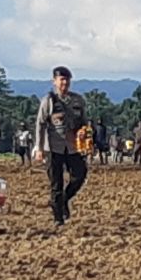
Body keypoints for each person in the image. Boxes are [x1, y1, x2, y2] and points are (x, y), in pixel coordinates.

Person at [33, 65, 90, 228]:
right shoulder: (48, 101)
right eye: (62, 79)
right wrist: (39, 148)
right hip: (54, 147)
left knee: (80, 175)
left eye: (67, 79)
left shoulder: (78, 100)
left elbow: (84, 122)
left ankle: (64, 199)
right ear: (55, 81)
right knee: (56, 183)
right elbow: (40, 124)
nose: (65, 83)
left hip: (73, 147)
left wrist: (85, 137)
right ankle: (58, 218)